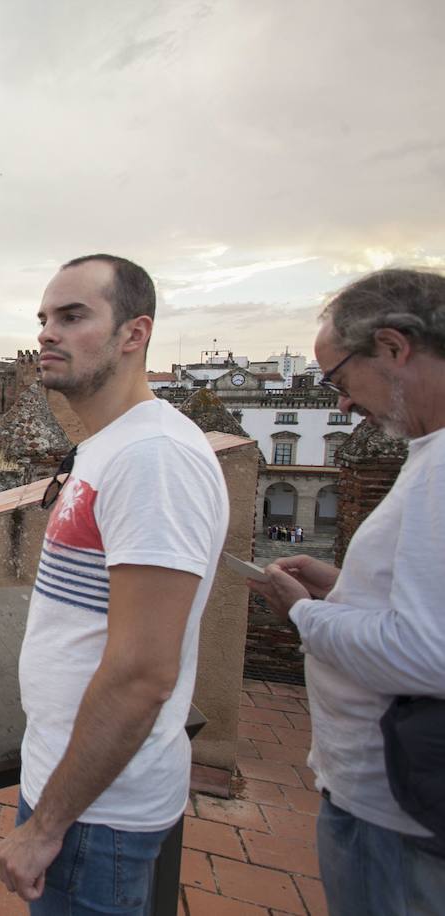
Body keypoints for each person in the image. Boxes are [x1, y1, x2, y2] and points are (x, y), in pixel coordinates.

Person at [0, 254, 229, 914]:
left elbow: (142, 672)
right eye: (43, 318)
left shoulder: (154, 459)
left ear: (135, 333)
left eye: (73, 317)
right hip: (75, 788)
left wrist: (46, 827)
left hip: (96, 812)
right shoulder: (109, 445)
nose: (46, 333)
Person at [248, 268, 445, 916]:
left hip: (399, 817)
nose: (341, 406)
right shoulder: (427, 452)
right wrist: (348, 590)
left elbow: (428, 652)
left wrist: (302, 613)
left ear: (393, 347)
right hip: (388, 802)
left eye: (337, 380)